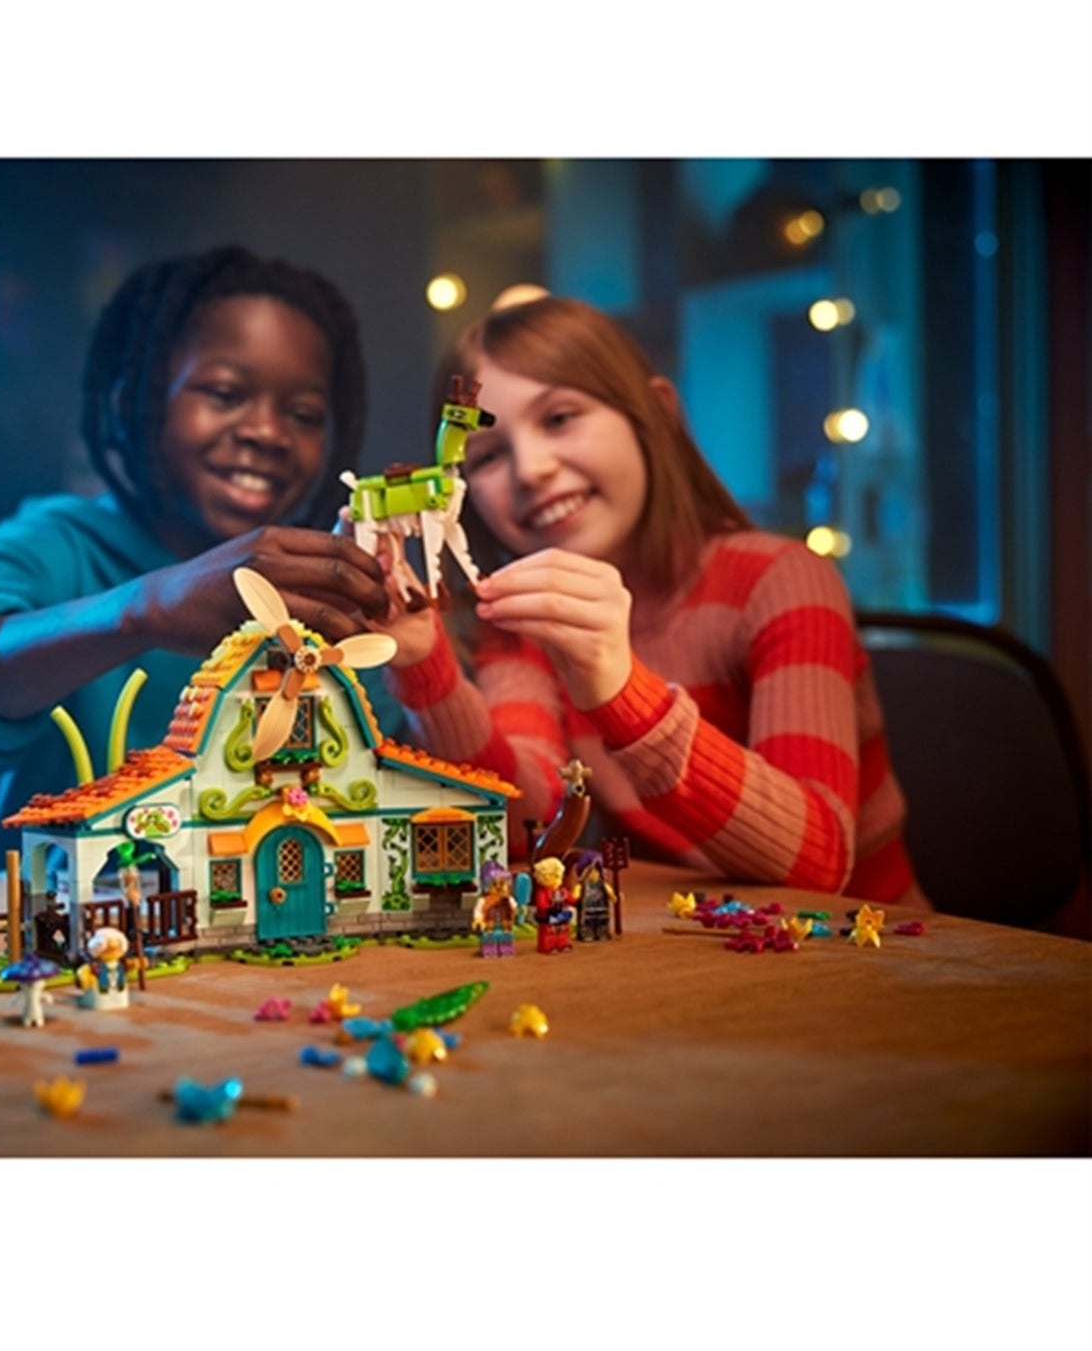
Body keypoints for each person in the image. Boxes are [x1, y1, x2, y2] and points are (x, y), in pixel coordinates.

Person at [378, 294, 924, 906]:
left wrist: (620, 689)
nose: (530, 469)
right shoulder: (520, 624)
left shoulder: (782, 580)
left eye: (559, 418)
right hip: (694, 943)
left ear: (656, 414)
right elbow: (519, 827)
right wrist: (423, 666)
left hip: (868, 945)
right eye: (486, 456)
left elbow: (818, 861)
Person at [0, 246, 402, 865]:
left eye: (303, 414)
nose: (267, 432)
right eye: (224, 393)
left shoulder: (322, 583)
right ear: (135, 400)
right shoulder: (56, 546)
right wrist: (150, 608)